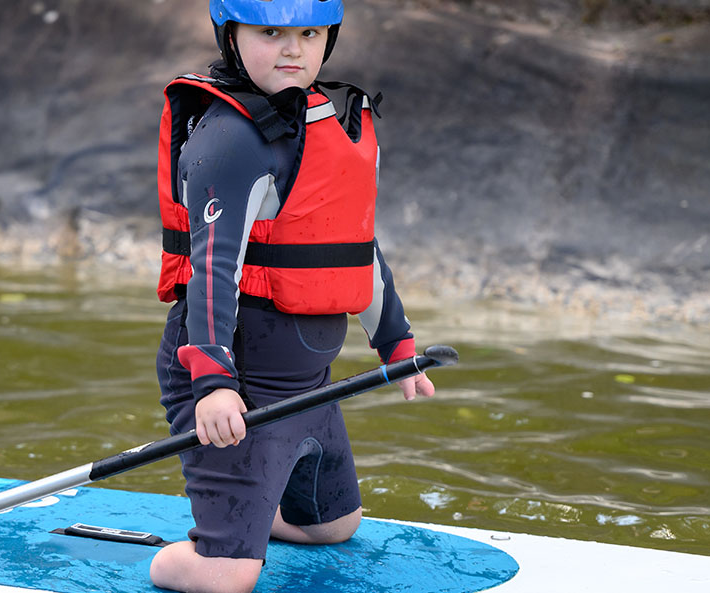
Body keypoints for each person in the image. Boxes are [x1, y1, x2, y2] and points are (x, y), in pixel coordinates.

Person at [150, 1, 435, 592]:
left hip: (308, 385)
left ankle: (256, 506)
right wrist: (212, 383)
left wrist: (396, 343)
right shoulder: (231, 140)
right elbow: (212, 269)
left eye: (309, 33)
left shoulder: (331, 122)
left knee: (334, 528)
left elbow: (353, 246)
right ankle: (167, 558)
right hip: (237, 387)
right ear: (231, 37)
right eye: (270, 32)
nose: (292, 49)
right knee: (226, 580)